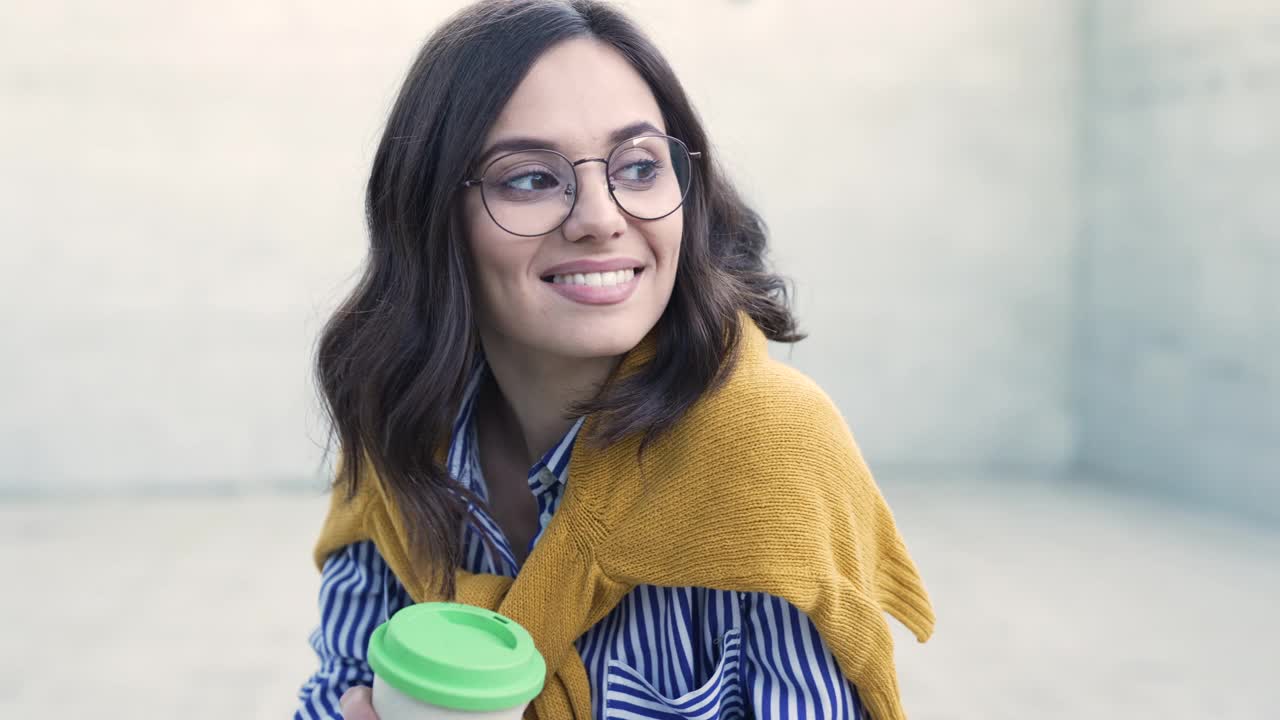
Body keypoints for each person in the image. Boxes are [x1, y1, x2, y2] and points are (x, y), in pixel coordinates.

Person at [294, 1, 934, 719]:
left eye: (638, 167)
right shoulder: (398, 427)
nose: (600, 217)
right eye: (530, 179)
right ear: (432, 213)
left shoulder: (769, 449)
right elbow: (336, 691)